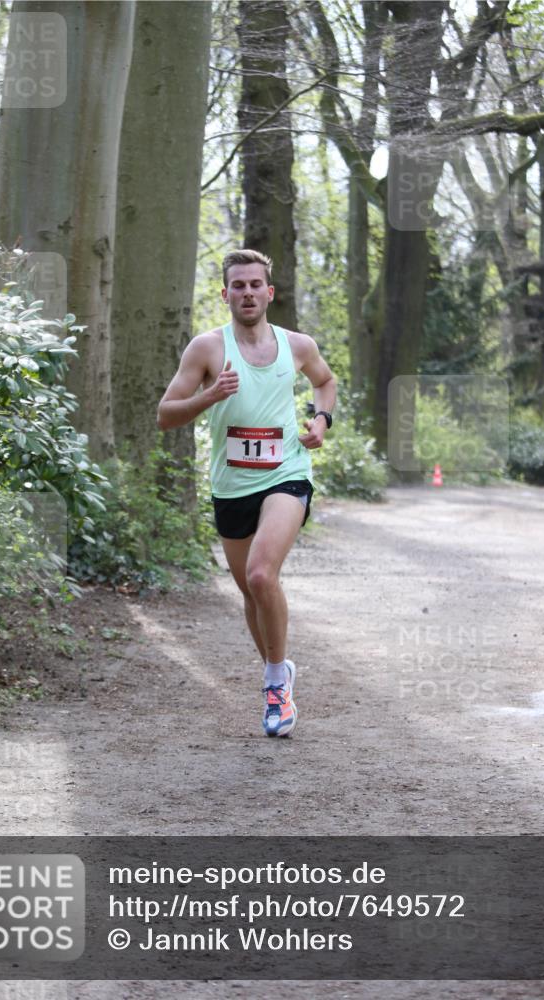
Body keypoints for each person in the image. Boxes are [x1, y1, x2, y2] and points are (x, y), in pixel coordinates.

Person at [157, 249, 336, 737]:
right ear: (226, 294)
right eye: (238, 286)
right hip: (231, 484)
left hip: (286, 472)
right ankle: (279, 667)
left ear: (269, 292)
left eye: (256, 284)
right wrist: (208, 396)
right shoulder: (207, 350)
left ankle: (276, 686)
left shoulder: (297, 345)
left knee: (261, 574)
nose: (248, 293)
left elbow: (325, 381)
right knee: (251, 594)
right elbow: (165, 414)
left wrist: (321, 420)